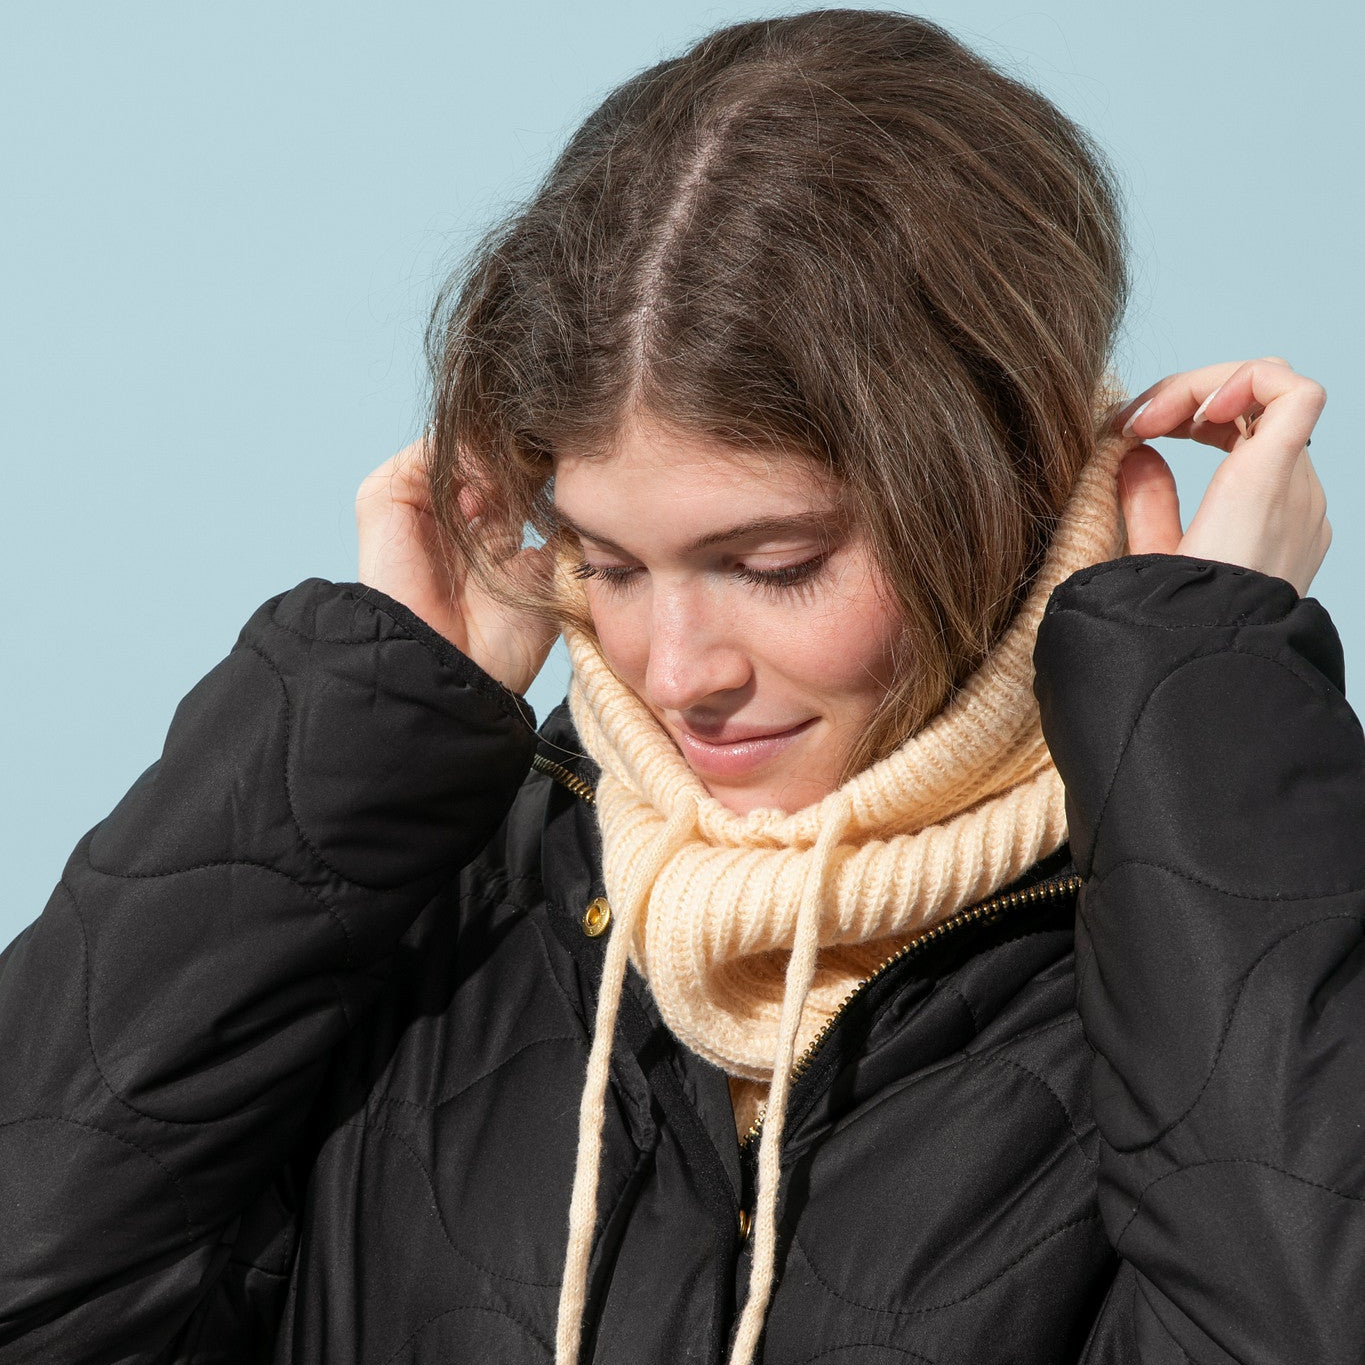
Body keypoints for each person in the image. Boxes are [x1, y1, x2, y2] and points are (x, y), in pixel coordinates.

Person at [0, 9, 1352, 1364]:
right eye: (607, 562)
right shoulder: (447, 903)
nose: (675, 672)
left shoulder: (1210, 941)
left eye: (771, 562)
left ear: (1003, 485)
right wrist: (360, 723)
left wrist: (1204, 689)